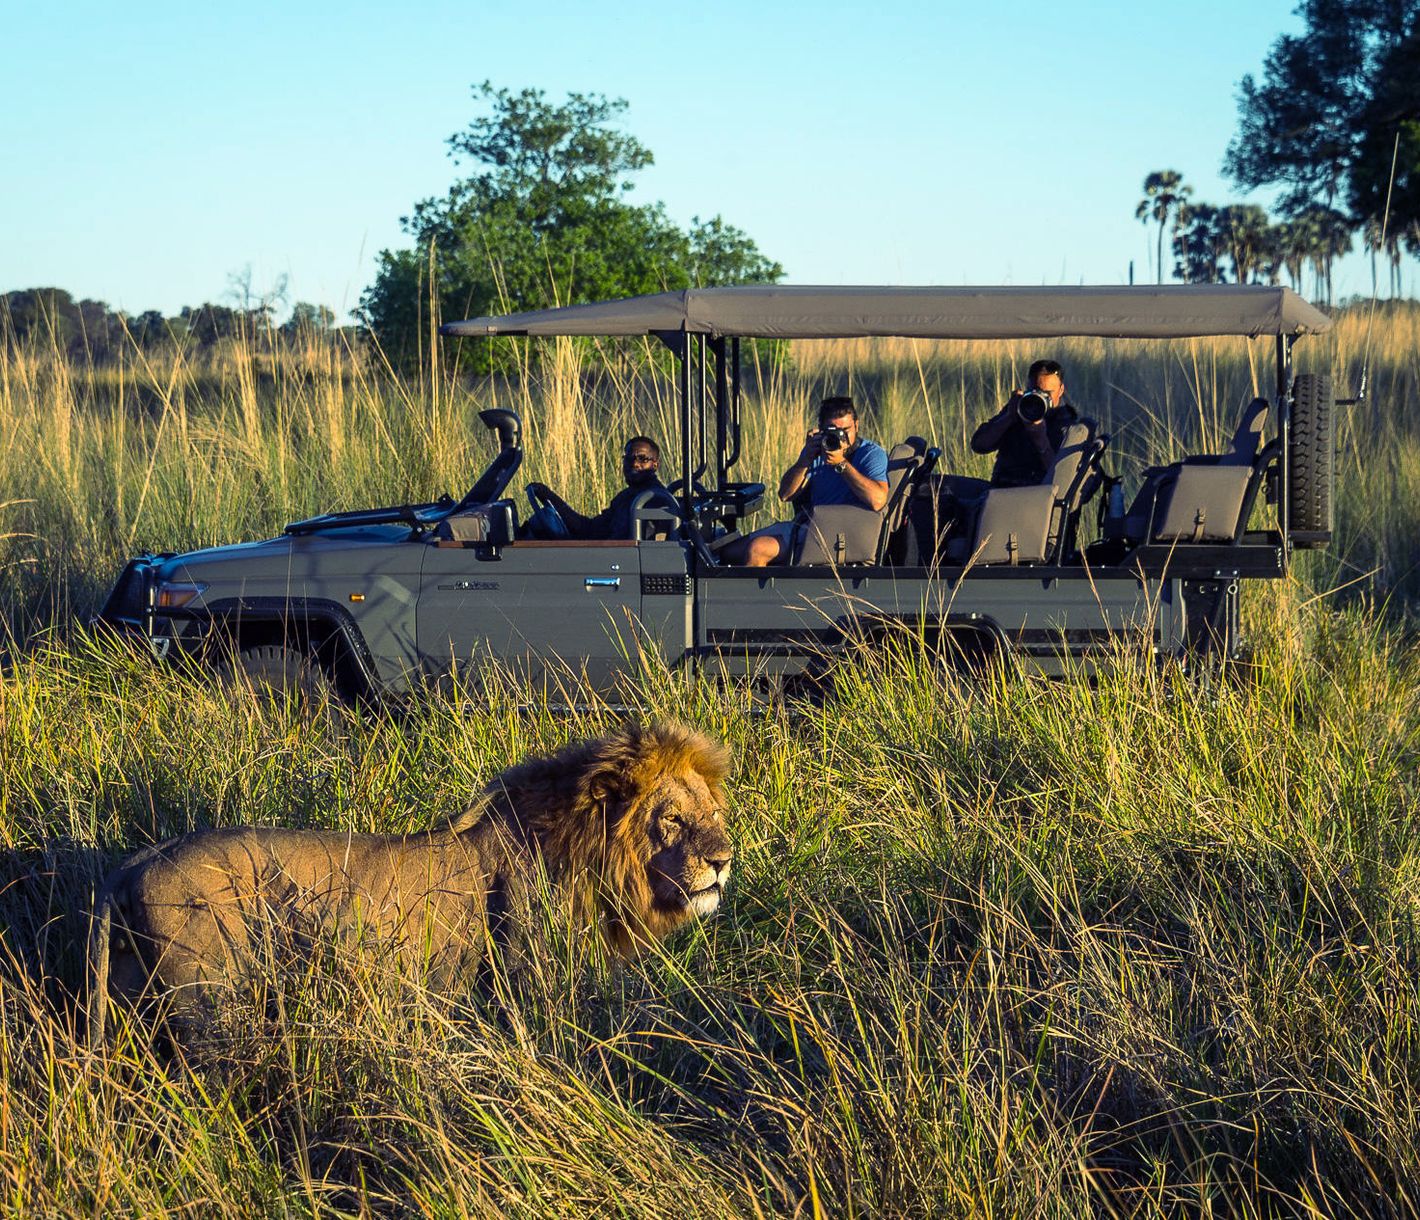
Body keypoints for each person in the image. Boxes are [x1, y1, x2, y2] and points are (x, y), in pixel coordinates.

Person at [724, 396, 889, 567]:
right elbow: (785, 494)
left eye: (846, 430)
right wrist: (805, 459)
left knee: (758, 549)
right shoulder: (819, 451)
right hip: (808, 526)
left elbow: (877, 501)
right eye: (833, 431)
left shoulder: (871, 454)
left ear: (857, 425)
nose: (840, 437)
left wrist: (841, 464)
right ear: (822, 430)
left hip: (842, 533)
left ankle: (756, 594)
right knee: (728, 553)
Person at [526, 436, 676, 540]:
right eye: (629, 458)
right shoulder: (626, 497)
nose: (635, 464)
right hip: (606, 555)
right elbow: (588, 529)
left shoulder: (653, 499)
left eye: (643, 459)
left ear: (655, 464)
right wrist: (550, 496)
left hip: (617, 563)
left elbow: (632, 545)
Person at [970, 359, 1080, 488]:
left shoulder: (1066, 424)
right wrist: (1008, 418)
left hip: (1038, 496)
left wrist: (1041, 442)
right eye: (1035, 391)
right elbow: (979, 445)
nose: (1041, 397)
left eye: (1048, 393)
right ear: (1027, 387)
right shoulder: (1020, 409)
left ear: (1061, 390)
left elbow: (1063, 480)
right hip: (1001, 490)